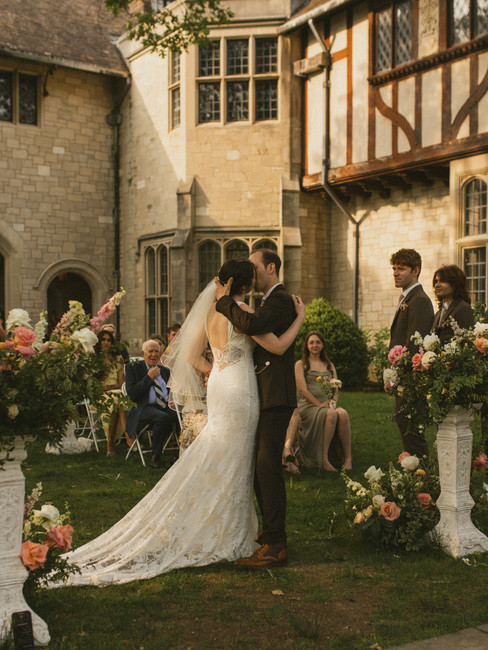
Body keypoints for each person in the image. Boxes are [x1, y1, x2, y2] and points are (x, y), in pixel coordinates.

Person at [55, 259, 304, 586]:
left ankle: (234, 525)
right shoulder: (241, 312)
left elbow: (187, 354)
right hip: (241, 390)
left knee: (226, 454)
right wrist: (300, 318)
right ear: (244, 284)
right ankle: (234, 529)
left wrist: (215, 370)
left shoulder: (211, 311)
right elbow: (279, 345)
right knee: (238, 458)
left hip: (219, 383)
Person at [215, 248, 298, 568]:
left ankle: (276, 543)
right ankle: (270, 536)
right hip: (265, 394)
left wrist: (224, 302)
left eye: (255, 267)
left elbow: (252, 324)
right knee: (260, 469)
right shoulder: (272, 300)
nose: (251, 274)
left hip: (276, 396)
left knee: (266, 468)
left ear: (271, 268)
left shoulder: (279, 300)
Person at [385, 248, 434, 457]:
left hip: (412, 379)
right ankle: (417, 480)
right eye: (394, 268)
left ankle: (424, 479)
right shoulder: (407, 298)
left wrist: (397, 378)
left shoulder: (419, 300)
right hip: (403, 378)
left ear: (416, 270)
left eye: (401, 269)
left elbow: (414, 345)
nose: (395, 273)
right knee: (405, 424)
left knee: (412, 428)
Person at [294, 331, 352, 471]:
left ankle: (348, 459)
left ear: (322, 345)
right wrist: (320, 404)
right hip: (308, 407)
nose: (315, 345)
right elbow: (303, 390)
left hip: (327, 406)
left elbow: (335, 387)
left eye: (318, 342)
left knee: (342, 413)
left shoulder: (329, 364)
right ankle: (324, 460)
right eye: (311, 342)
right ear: (307, 346)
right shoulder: (301, 364)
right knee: (331, 414)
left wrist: (333, 402)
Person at [125, 339, 179, 469]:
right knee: (163, 418)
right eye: (150, 351)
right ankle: (156, 457)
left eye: (157, 351)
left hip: (164, 406)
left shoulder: (165, 371)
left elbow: (171, 390)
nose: (154, 355)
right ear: (143, 353)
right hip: (143, 407)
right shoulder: (133, 367)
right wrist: (149, 377)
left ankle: (178, 454)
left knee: (182, 415)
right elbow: (132, 394)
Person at [95, 330, 128, 456]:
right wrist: (109, 388)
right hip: (98, 396)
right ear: (99, 341)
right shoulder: (94, 359)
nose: (106, 342)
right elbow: (96, 387)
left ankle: (110, 444)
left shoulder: (118, 359)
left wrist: (109, 387)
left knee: (116, 399)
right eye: (103, 339)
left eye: (109, 340)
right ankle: (128, 436)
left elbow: (121, 383)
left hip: (115, 395)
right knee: (118, 398)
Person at [432, 265, 473, 344]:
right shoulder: (438, 313)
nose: (437, 285)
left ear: (455, 283)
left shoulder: (464, 309)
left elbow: (466, 344)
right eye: (436, 281)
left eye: (442, 281)